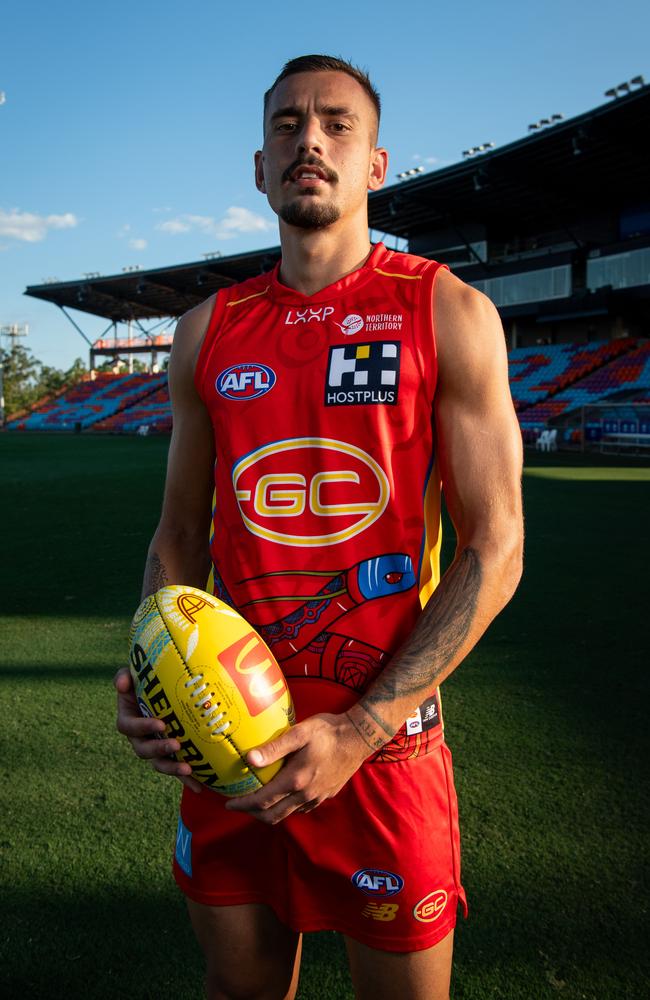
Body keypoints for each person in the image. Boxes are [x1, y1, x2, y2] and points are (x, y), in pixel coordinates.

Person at [115, 54, 523, 1000]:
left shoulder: (447, 311)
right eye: (287, 125)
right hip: (229, 741)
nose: (310, 140)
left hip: (384, 750)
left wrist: (361, 728)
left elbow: (495, 548)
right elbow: (177, 540)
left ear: (377, 163)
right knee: (239, 991)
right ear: (259, 166)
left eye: (337, 124)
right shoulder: (206, 331)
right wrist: (146, 661)